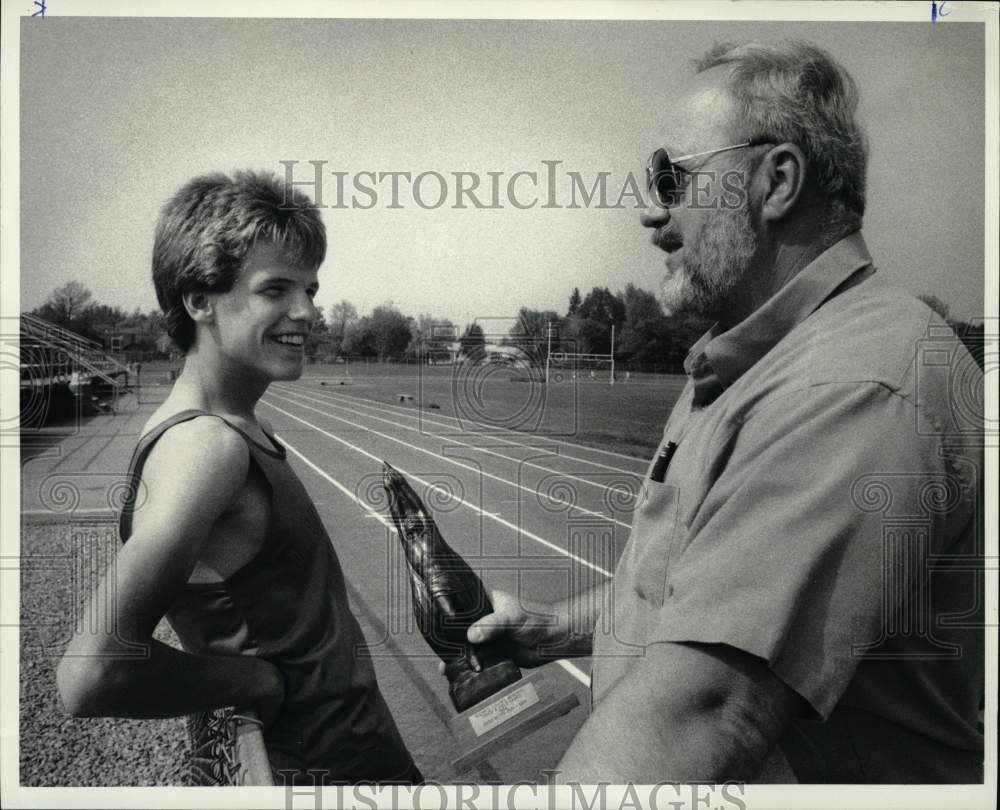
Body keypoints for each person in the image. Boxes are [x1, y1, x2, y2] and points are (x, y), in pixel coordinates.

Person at [467, 41, 984, 784]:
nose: (651, 210)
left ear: (777, 182)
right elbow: (696, 592)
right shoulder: (751, 359)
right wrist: (553, 630)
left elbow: (708, 712)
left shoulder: (849, 388)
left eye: (671, 177)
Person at [56, 171, 421, 785]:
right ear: (199, 300)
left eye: (310, 288)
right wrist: (255, 679)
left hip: (355, 758)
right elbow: (92, 671)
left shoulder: (233, 428)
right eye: (274, 289)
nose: (307, 311)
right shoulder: (206, 448)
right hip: (324, 771)